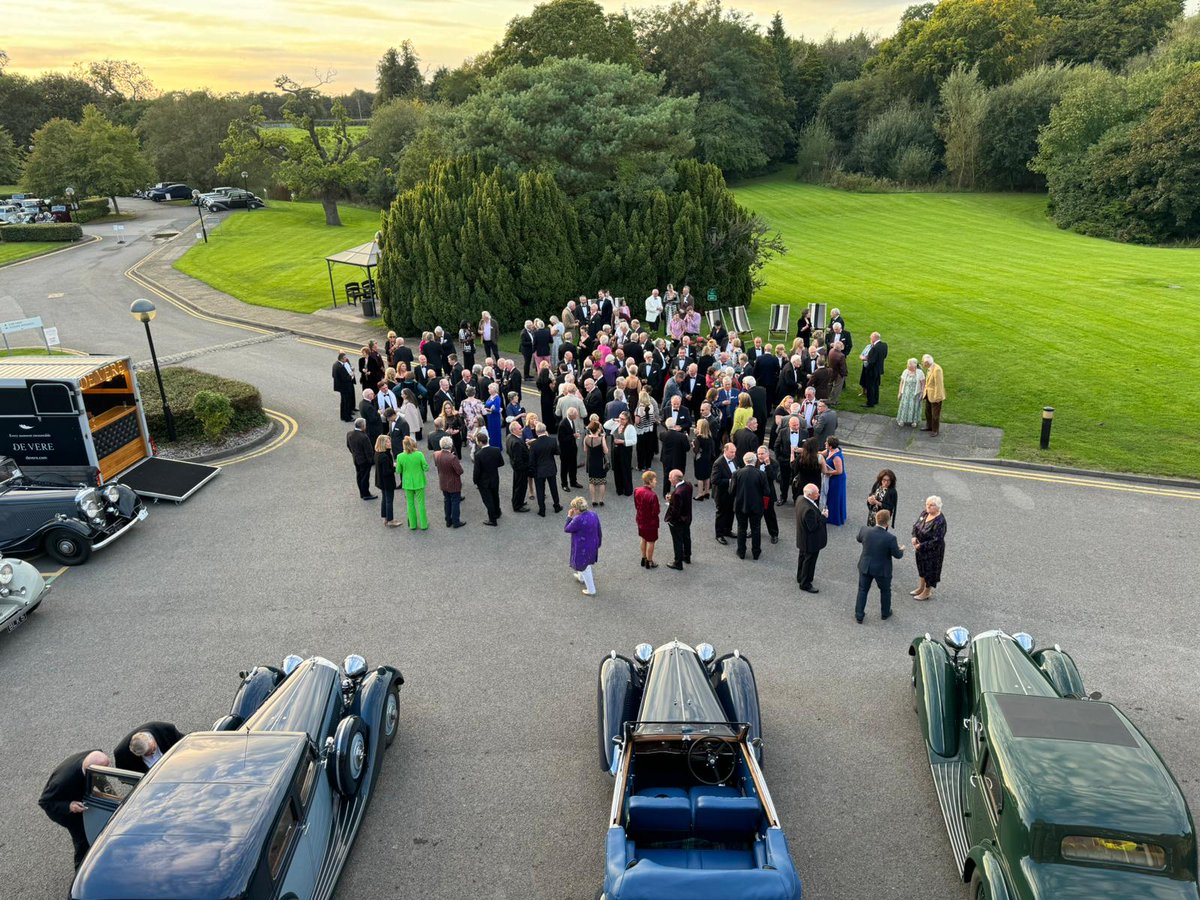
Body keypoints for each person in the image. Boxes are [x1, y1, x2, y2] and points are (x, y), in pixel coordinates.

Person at [40, 749, 112, 869]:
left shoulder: (96, 756)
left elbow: (101, 781)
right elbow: (45, 802)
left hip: (79, 796)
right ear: (90, 769)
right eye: (101, 771)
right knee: (82, 839)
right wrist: (69, 806)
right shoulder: (62, 781)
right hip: (64, 809)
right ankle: (80, 871)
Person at [854, 509, 904, 623]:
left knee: (862, 590)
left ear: (876, 518)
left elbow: (858, 538)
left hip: (865, 566)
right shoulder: (890, 538)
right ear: (887, 523)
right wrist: (901, 550)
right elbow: (897, 555)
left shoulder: (865, 530)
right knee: (885, 591)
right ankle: (885, 613)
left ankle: (859, 615)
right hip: (882, 569)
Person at [731, 451, 769, 560]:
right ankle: (756, 553)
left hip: (740, 505)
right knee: (756, 529)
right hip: (756, 506)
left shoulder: (736, 473)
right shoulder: (761, 474)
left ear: (744, 461)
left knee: (741, 528)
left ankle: (741, 552)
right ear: (755, 461)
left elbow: (731, 491)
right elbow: (767, 492)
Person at [911, 495, 947, 601]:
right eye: (927, 504)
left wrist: (921, 545)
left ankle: (927, 592)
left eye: (931, 505)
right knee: (921, 568)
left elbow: (937, 540)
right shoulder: (925, 513)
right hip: (920, 548)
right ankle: (921, 588)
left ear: (938, 507)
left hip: (933, 551)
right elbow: (916, 525)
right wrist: (914, 536)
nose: (928, 506)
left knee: (930, 571)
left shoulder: (940, 521)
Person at [565, 496, 602, 596]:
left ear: (577, 509)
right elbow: (599, 529)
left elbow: (567, 529)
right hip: (592, 544)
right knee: (584, 564)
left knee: (585, 567)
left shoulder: (577, 519)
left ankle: (591, 590)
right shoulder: (593, 514)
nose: (572, 510)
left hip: (582, 547)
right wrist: (599, 542)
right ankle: (581, 577)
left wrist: (569, 516)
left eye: (573, 508)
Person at [795, 483, 828, 593]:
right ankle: (805, 583)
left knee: (802, 558)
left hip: (802, 538)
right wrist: (823, 517)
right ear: (809, 495)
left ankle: (800, 576)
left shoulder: (800, 499)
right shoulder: (809, 510)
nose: (818, 494)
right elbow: (813, 527)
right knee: (809, 561)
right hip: (811, 541)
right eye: (816, 493)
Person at [113, 722, 184, 772]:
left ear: (151, 739)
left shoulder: (166, 729)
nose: (152, 754)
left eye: (153, 749)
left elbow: (185, 745)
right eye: (147, 754)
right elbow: (125, 776)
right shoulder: (122, 754)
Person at [393, 435, 429, 531]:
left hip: (407, 483)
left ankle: (413, 525)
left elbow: (398, 471)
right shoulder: (419, 454)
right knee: (421, 504)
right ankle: (424, 524)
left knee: (410, 504)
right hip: (419, 481)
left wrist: (397, 465)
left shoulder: (400, 456)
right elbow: (426, 467)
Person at [529, 422, 563, 517]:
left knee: (540, 490)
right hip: (551, 468)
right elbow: (558, 452)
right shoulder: (552, 441)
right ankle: (557, 506)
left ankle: (542, 510)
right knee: (553, 488)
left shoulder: (533, 444)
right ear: (545, 430)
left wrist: (531, 471)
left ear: (536, 432)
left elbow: (531, 460)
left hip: (539, 470)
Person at [473, 432, 505, 525]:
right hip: (494, 478)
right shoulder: (496, 450)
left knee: (488, 500)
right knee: (495, 496)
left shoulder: (478, 455)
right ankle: (497, 512)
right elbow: (501, 463)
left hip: (484, 481)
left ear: (480, 442)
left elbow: (477, 471)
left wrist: (475, 480)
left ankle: (492, 520)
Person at [710, 442, 738, 544]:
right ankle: (719, 535)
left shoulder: (734, 459)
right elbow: (714, 480)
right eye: (731, 452)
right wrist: (730, 481)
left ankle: (727, 530)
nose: (734, 454)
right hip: (721, 494)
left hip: (731, 492)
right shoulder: (718, 463)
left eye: (734, 452)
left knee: (731, 512)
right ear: (725, 451)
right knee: (721, 513)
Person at [435, 436, 465, 528]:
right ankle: (456, 522)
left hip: (443, 482)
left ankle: (448, 521)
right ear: (451, 445)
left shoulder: (436, 454)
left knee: (447, 501)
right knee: (455, 502)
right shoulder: (452, 458)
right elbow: (460, 471)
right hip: (453, 483)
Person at [634, 470, 661, 569]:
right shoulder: (653, 495)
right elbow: (656, 512)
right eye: (654, 480)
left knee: (643, 539)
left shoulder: (637, 490)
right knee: (651, 542)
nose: (656, 481)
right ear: (649, 481)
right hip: (650, 523)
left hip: (640, 519)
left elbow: (636, 505)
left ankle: (643, 558)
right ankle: (649, 561)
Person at [346, 418, 376, 501]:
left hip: (356, 459)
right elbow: (368, 451)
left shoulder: (349, 434)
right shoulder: (364, 437)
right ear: (363, 426)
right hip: (364, 461)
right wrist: (371, 461)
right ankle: (366, 494)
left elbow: (348, 445)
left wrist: (354, 454)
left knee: (359, 476)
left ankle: (362, 493)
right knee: (365, 478)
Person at [756, 445, 781, 544]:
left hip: (767, 494)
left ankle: (774, 534)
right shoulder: (755, 461)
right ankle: (754, 530)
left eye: (762, 453)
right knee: (755, 514)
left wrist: (768, 465)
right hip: (756, 493)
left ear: (768, 454)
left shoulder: (774, 463)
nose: (760, 456)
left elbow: (773, 477)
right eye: (758, 454)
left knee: (769, 514)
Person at [820, 437, 847, 526]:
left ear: (831, 446)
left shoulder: (836, 457)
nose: (825, 443)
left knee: (834, 497)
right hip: (832, 477)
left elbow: (839, 471)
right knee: (830, 496)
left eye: (826, 443)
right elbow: (820, 454)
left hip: (837, 480)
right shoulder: (829, 451)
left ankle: (834, 517)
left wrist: (827, 472)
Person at [505, 421, 531, 512]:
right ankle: (517, 506)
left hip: (516, 467)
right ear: (514, 430)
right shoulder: (516, 443)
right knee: (521, 487)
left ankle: (518, 501)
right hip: (521, 469)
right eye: (519, 429)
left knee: (517, 486)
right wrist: (526, 466)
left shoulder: (509, 437)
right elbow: (518, 459)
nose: (522, 430)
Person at [374, 434, 399, 526]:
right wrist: (395, 467)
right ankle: (390, 520)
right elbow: (387, 472)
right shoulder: (384, 456)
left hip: (380, 481)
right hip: (387, 482)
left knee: (385, 499)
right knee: (389, 501)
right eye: (388, 442)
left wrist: (391, 465)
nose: (390, 443)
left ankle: (385, 517)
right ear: (383, 444)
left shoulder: (378, 453)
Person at [584, 419, 609, 507]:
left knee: (592, 482)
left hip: (591, 462)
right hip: (600, 462)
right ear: (598, 429)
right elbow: (606, 451)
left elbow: (585, 450)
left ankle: (593, 500)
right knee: (602, 482)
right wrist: (603, 439)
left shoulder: (586, 438)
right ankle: (601, 500)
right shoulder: (601, 439)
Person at [611, 411, 636, 496]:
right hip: (616, 449)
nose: (620, 420)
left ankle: (627, 490)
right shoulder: (616, 424)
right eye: (620, 418)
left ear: (627, 419)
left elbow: (634, 441)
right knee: (617, 469)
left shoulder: (630, 427)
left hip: (625, 450)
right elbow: (606, 425)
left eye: (623, 419)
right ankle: (619, 489)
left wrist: (622, 441)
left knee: (625, 469)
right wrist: (614, 419)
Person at [558, 407, 583, 490]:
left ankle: (573, 482)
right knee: (564, 468)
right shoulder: (563, 424)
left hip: (572, 448)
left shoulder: (571, 421)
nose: (577, 416)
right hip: (565, 450)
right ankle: (564, 484)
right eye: (576, 415)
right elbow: (561, 439)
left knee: (573, 466)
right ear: (571, 415)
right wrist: (573, 436)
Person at [896, 358, 925, 427]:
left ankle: (914, 421)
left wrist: (922, 393)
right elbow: (901, 382)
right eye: (908, 364)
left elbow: (923, 384)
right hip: (906, 393)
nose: (908, 365)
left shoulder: (920, 372)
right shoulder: (905, 371)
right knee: (904, 406)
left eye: (909, 364)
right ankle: (902, 420)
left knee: (915, 407)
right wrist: (900, 392)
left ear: (914, 365)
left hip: (915, 393)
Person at [691, 418, 715, 500]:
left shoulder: (699, 438)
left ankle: (700, 494)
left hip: (700, 459)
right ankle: (706, 492)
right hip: (708, 458)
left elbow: (696, 451)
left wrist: (693, 445)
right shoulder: (710, 437)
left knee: (700, 477)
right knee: (707, 476)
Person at [921, 354, 945, 436]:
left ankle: (935, 430)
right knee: (927, 412)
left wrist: (938, 397)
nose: (922, 363)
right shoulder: (930, 368)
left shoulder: (937, 370)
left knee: (935, 415)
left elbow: (939, 385)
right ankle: (929, 426)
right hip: (928, 394)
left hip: (935, 396)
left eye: (923, 361)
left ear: (927, 363)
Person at [863, 332, 888, 407]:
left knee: (870, 386)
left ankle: (870, 403)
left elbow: (871, 361)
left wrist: (867, 368)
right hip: (879, 369)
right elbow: (885, 356)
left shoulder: (874, 348)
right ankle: (876, 399)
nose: (870, 339)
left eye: (871, 337)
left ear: (874, 338)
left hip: (872, 370)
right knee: (876, 385)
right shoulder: (884, 345)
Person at [332, 352, 356, 422]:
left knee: (343, 402)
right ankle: (347, 417)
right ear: (341, 359)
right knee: (346, 402)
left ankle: (343, 416)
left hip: (341, 387)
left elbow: (333, 375)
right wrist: (352, 374)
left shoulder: (335, 364)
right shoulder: (340, 367)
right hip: (345, 387)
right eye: (345, 358)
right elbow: (346, 378)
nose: (346, 358)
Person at [484, 382, 504, 449]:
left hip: (494, 418)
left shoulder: (497, 398)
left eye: (490, 389)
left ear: (494, 390)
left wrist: (489, 410)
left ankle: (496, 446)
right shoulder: (490, 396)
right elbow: (487, 404)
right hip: (489, 417)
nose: (488, 390)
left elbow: (497, 409)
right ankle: (491, 445)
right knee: (490, 432)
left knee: (495, 432)